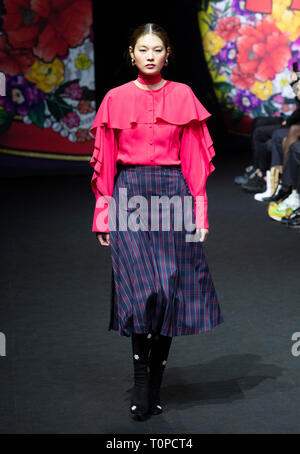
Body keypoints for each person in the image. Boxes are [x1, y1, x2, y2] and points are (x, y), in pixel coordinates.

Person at [89, 23, 224, 421]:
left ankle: (154, 383)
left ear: (168, 54)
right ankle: (141, 377)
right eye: (143, 49)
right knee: (139, 289)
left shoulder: (182, 95)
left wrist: (199, 212)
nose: (150, 55)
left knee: (167, 291)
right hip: (129, 193)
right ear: (132, 54)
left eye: (158, 49)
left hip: (173, 192)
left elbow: (196, 159)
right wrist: (103, 214)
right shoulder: (115, 98)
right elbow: (106, 160)